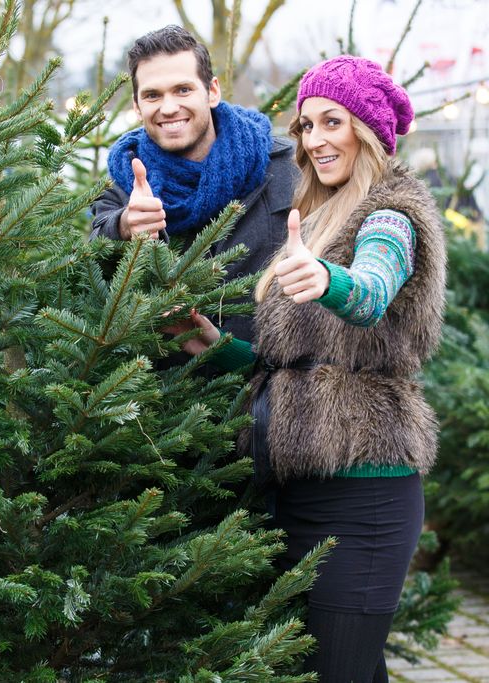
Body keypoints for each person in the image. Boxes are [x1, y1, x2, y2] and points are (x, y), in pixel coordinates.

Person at [167, 55, 446, 681]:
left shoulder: (390, 215)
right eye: (306, 126)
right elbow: (288, 369)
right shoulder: (318, 218)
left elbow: (372, 288)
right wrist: (212, 346)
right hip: (296, 492)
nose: (316, 140)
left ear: (367, 130)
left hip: (366, 496)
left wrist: (329, 280)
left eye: (332, 123)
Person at [91, 25, 297, 344]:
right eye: (152, 95)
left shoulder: (285, 164)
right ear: (136, 106)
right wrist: (123, 227)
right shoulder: (125, 179)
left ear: (212, 91)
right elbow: (91, 264)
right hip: (170, 387)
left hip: (270, 384)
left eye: (183, 90)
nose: (169, 107)